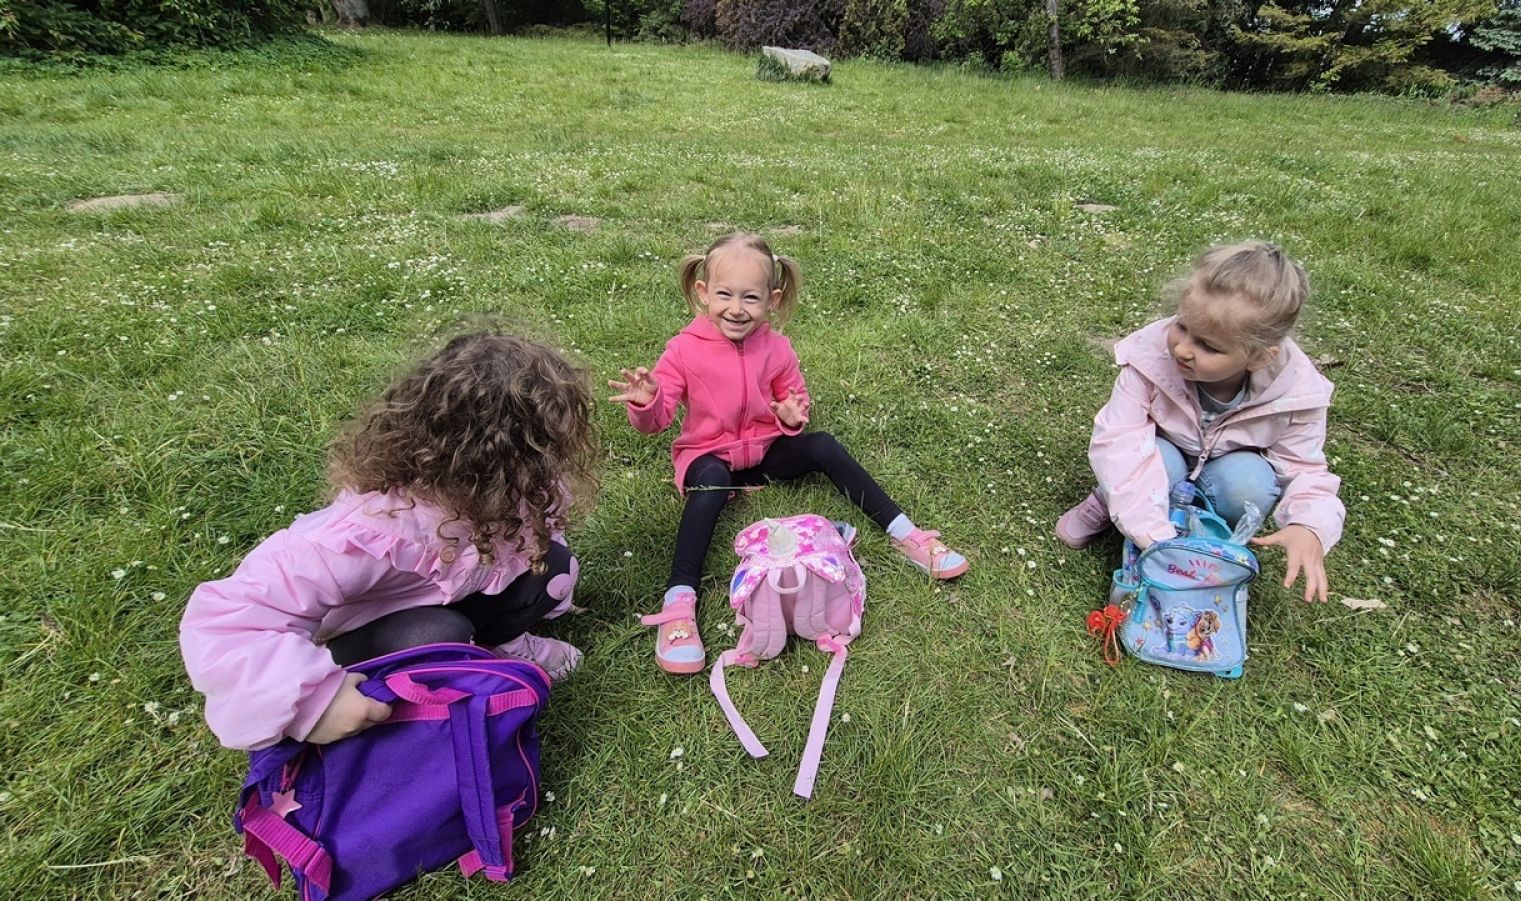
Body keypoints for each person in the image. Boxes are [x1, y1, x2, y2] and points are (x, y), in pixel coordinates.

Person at [180, 333, 598, 750]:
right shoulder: (377, 529)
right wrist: (315, 702)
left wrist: (542, 599)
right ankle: (407, 705)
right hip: (369, 639)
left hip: (450, 601)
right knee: (438, 633)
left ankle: (498, 647)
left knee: (553, 567)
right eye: (544, 448)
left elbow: (536, 541)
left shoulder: (519, 491)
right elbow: (227, 619)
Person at [611, 232, 968, 675]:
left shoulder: (777, 348)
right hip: (712, 457)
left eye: (750, 297)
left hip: (765, 455)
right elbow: (658, 418)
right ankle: (679, 602)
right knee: (711, 482)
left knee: (823, 445)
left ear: (772, 300)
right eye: (724, 295)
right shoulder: (683, 349)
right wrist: (647, 401)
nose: (736, 308)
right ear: (703, 292)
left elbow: (794, 398)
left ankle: (907, 535)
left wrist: (793, 417)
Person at [1056, 240, 1343, 602]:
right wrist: (1155, 536)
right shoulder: (1150, 358)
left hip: (1225, 469)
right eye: (1182, 326)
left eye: (1208, 346)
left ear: (1258, 357)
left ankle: (1206, 533)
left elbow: (1305, 469)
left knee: (1250, 483)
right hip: (1159, 455)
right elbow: (1119, 442)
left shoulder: (1297, 394)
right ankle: (1109, 501)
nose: (1182, 349)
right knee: (1151, 460)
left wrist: (1309, 525)